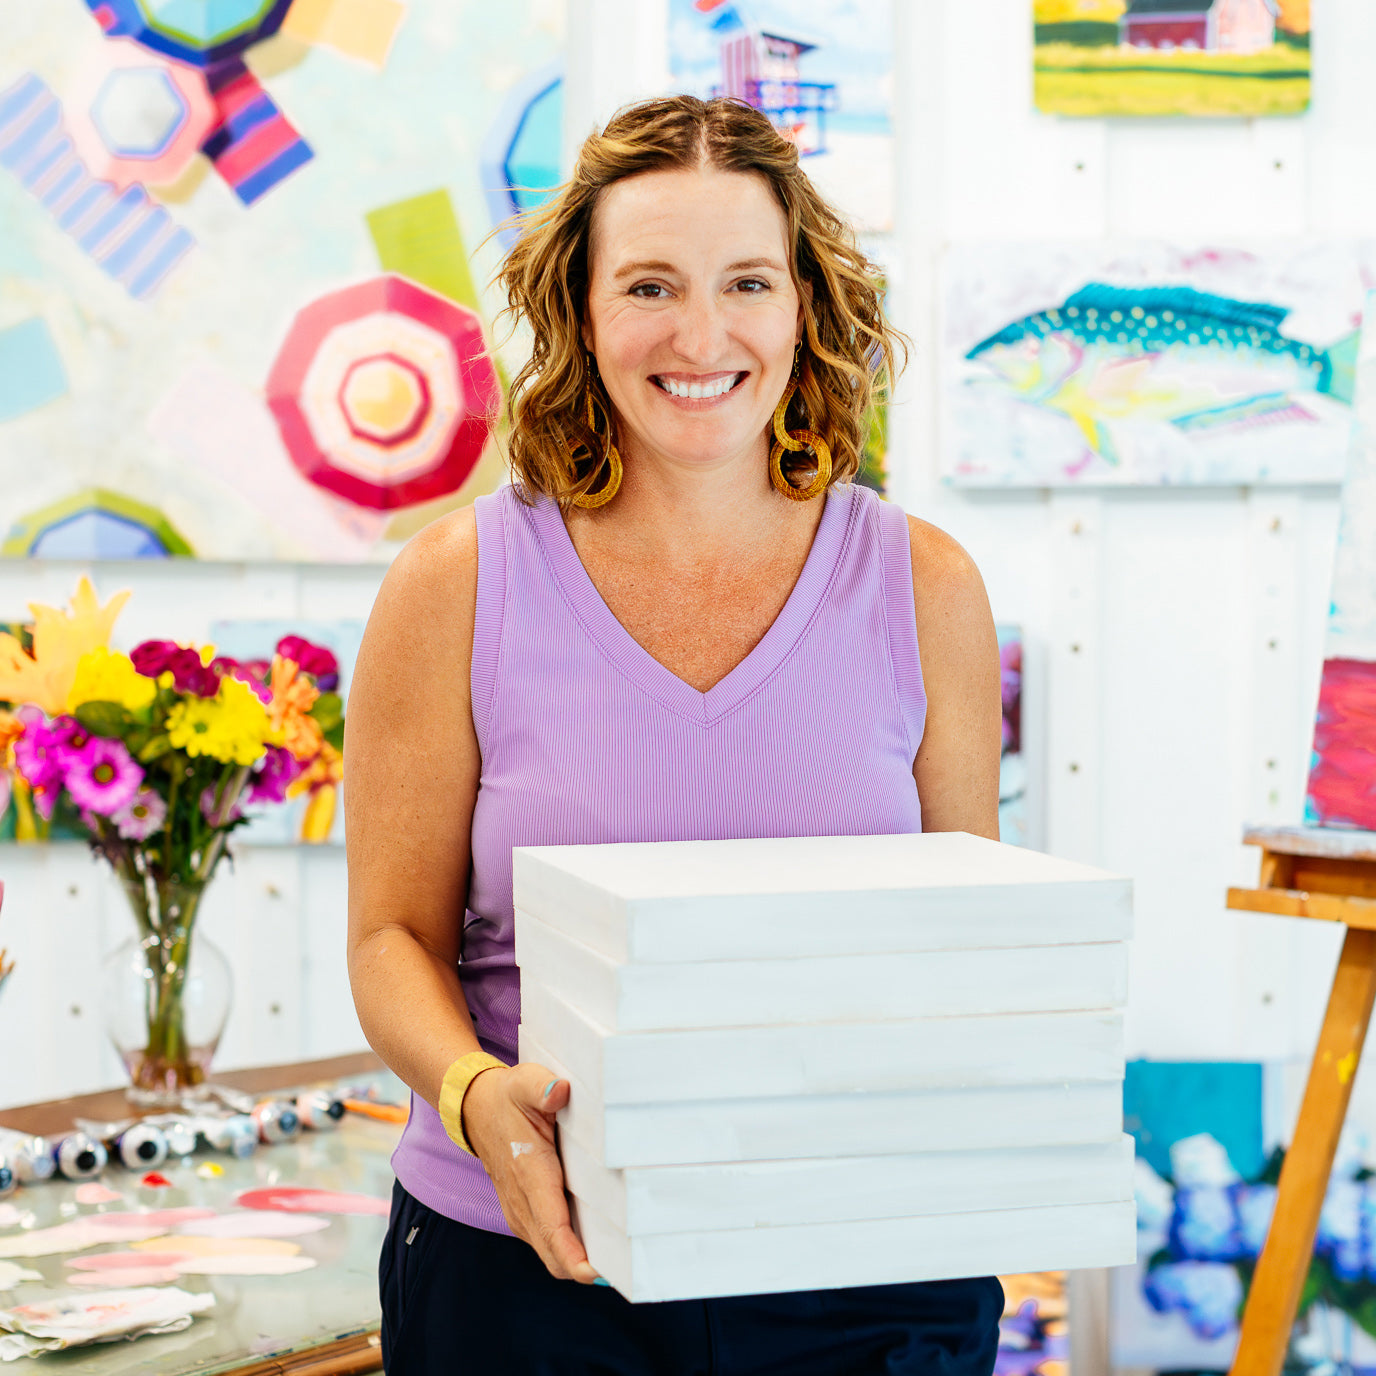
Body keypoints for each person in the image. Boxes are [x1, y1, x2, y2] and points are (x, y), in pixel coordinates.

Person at [345, 94, 1005, 1375]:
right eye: (648, 285)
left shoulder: (923, 586)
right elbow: (389, 940)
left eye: (745, 281)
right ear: (581, 311)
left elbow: (955, 941)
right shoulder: (455, 585)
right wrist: (477, 1097)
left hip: (864, 1263)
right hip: (529, 1259)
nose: (700, 335)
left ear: (803, 303)